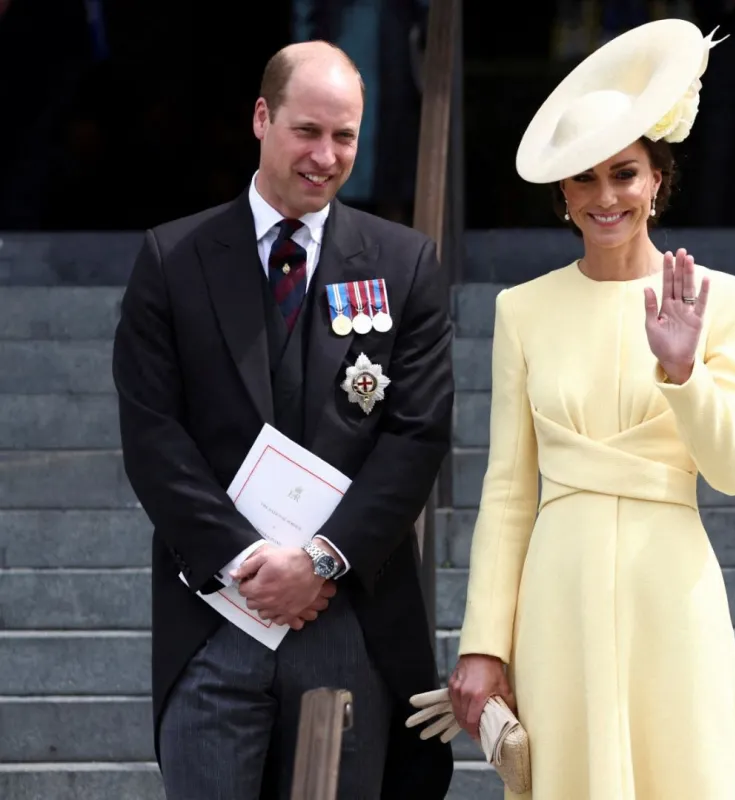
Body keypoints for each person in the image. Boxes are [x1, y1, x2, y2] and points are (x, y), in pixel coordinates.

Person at [112, 41, 454, 798]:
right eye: (307, 131)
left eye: (345, 137)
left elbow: (416, 435)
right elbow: (153, 433)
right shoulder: (174, 259)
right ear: (262, 118)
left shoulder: (404, 264)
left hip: (347, 622)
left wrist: (321, 560)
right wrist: (246, 567)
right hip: (214, 619)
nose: (326, 156)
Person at [445, 19, 735, 798]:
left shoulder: (725, 301)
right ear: (563, 193)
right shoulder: (523, 310)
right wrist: (484, 642)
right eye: (585, 179)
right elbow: (508, 488)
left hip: (671, 582)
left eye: (624, 173)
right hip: (560, 594)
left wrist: (683, 370)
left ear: (657, 178)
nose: (606, 197)